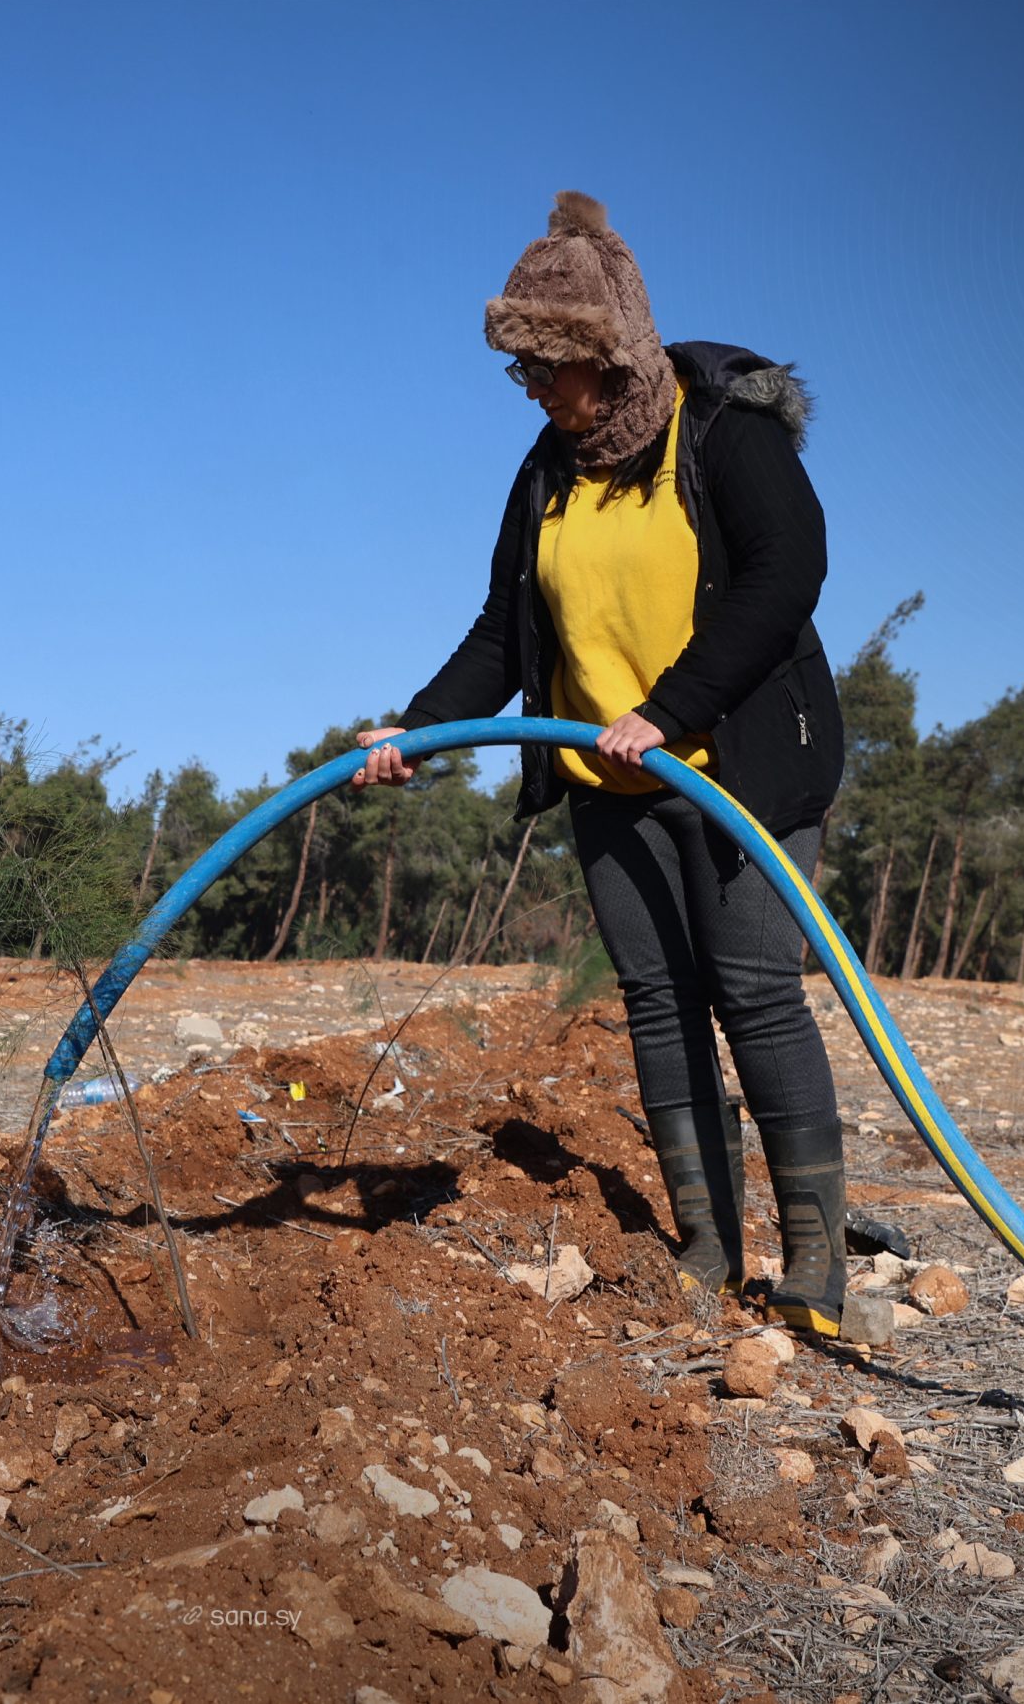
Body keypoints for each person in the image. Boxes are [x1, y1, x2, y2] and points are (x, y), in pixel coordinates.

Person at [352, 191, 850, 1338]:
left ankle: (815, 1261)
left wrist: (669, 711)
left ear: (607, 351)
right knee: (660, 1004)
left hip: (736, 770)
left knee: (754, 992)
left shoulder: (722, 434)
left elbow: (786, 576)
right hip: (608, 782)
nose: (530, 388)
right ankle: (707, 1248)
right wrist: (416, 728)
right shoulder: (547, 470)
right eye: (518, 368)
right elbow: (503, 630)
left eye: (544, 366)